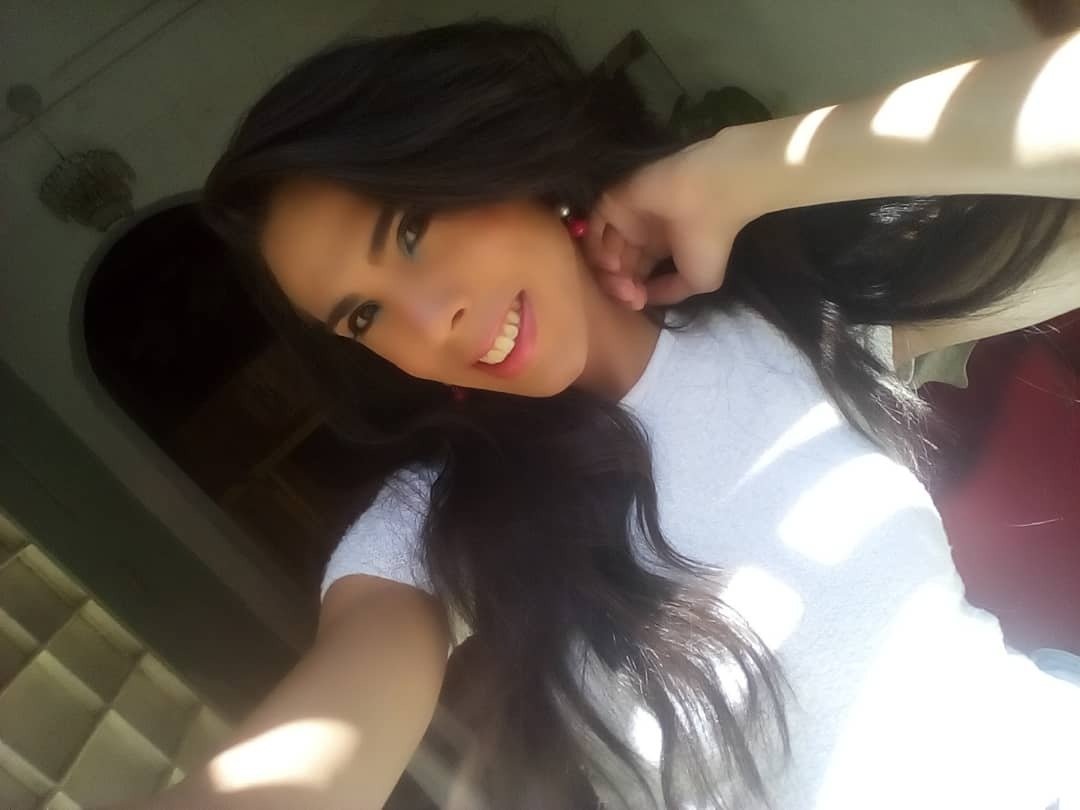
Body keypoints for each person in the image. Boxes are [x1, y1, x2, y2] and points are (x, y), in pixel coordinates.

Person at [112, 19, 1080, 810]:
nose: (429, 322)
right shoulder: (433, 520)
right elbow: (324, 739)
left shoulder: (785, 304)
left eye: (410, 230)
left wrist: (747, 167)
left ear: (492, 155)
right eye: (362, 318)